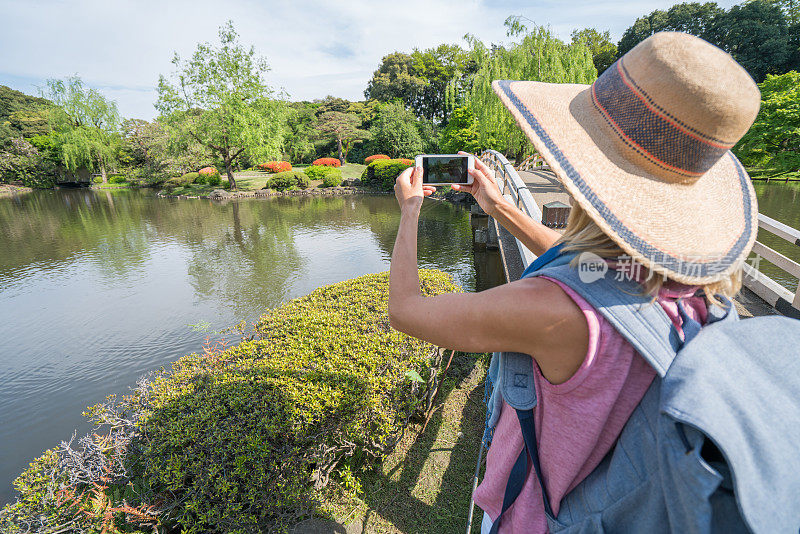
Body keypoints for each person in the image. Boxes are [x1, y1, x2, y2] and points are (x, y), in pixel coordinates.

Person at [388, 32, 760, 533]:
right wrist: (497, 207)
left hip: (540, 514)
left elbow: (406, 311)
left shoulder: (550, 311)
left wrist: (409, 213)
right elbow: (588, 263)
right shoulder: (693, 285)